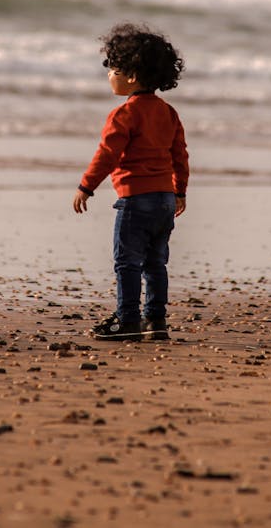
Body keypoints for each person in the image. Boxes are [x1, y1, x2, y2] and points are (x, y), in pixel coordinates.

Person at [73, 23, 189, 341]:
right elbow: (180, 155)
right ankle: (156, 319)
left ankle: (127, 321)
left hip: (136, 200)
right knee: (156, 262)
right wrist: (179, 190)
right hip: (165, 198)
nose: (110, 75)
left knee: (127, 262)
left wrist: (86, 186)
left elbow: (108, 153)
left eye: (114, 69)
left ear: (132, 76)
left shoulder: (124, 114)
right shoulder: (169, 113)